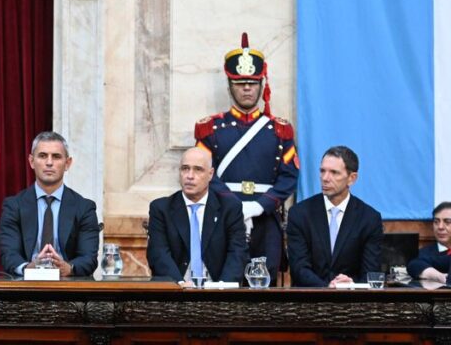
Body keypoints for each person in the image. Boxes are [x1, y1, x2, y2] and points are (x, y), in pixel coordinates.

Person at [194, 32, 299, 283]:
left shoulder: (280, 130)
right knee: (224, 283)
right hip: (224, 218)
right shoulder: (210, 129)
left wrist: (259, 207)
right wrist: (237, 207)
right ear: (230, 86)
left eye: (253, 82)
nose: (247, 88)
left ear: (262, 85)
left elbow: (289, 177)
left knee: (264, 286)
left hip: (266, 220)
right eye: (240, 83)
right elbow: (203, 174)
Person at [0, 131, 100, 277]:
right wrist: (29, 268)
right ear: (31, 161)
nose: (49, 162)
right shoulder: (13, 206)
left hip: (69, 285)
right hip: (25, 285)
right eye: (43, 156)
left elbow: (88, 258)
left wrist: (68, 268)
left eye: (56, 156)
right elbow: (9, 255)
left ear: (67, 163)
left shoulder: (84, 208)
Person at [146, 146, 248, 285]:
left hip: (218, 290)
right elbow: (159, 254)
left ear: (210, 174)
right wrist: (180, 285)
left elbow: (237, 253)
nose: (190, 176)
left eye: (198, 169)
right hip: (175, 290)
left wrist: (222, 288)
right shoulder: (161, 208)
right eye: (185, 168)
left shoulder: (230, 208)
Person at [287, 145, 383, 287]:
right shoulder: (300, 214)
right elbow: (299, 268)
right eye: (322, 171)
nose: (325, 178)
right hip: (310, 296)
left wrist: (351, 285)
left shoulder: (369, 218)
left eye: (334, 172)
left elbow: (371, 272)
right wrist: (327, 288)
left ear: (352, 178)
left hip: (353, 297)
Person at [407, 202, 451, 284]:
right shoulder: (424, 254)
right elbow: (414, 264)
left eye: (447, 222)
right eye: (436, 222)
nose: (440, 227)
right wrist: (440, 276)